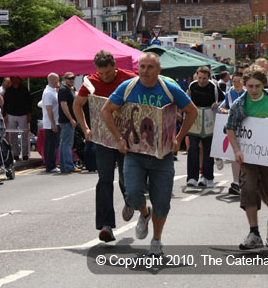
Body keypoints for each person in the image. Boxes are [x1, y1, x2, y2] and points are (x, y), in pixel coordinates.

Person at [101, 52, 198, 256]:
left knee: (162, 201)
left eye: (150, 67)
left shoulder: (169, 89)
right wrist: (119, 138)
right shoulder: (127, 88)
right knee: (133, 193)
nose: (145, 71)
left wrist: (178, 138)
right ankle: (144, 213)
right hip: (135, 153)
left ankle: (156, 240)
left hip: (162, 156)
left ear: (158, 70)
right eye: (142, 67)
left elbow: (192, 111)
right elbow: (105, 110)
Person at [225, 65, 268, 249]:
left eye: (257, 86)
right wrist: (236, 150)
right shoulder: (239, 104)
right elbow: (230, 127)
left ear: (264, 85)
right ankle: (254, 232)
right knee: (247, 187)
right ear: (244, 85)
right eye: (250, 86)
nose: (253, 90)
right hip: (249, 156)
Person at [73, 50, 137, 243]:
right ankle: (106, 226)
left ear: (114, 66)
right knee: (104, 180)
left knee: (126, 178)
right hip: (103, 138)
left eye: (108, 73)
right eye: (101, 73)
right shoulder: (90, 82)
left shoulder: (130, 79)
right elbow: (78, 105)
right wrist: (85, 128)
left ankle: (130, 200)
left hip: (126, 137)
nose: (105, 77)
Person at [186, 66, 225, 188]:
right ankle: (192, 177)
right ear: (196, 76)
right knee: (192, 149)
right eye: (200, 78)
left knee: (208, 150)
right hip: (195, 121)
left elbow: (222, 99)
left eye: (204, 78)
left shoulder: (213, 87)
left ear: (209, 78)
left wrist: (216, 104)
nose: (202, 81)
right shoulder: (192, 86)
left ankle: (208, 177)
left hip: (209, 122)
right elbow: (187, 98)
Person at [217, 71, 244, 195]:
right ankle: (236, 183)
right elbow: (221, 108)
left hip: (246, 129)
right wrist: (223, 110)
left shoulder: (247, 93)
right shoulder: (229, 94)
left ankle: (247, 183)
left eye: (239, 81)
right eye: (234, 81)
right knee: (235, 156)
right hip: (233, 128)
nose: (237, 83)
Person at [2, 77, 32, 161]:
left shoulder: (24, 89)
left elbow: (29, 102)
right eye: (13, 79)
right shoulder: (8, 91)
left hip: (23, 114)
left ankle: (25, 154)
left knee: (25, 135)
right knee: (12, 136)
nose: (15, 81)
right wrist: (4, 115)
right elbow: (5, 103)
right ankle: (15, 153)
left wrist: (29, 113)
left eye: (16, 79)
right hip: (11, 115)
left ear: (18, 80)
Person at [58, 72, 81, 173]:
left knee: (64, 143)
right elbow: (64, 105)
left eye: (73, 78)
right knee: (67, 144)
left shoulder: (67, 90)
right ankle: (68, 166)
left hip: (66, 120)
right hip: (67, 120)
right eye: (69, 78)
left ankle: (64, 166)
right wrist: (71, 119)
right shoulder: (64, 90)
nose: (72, 80)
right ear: (64, 79)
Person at [42, 73, 61, 173]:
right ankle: (50, 165)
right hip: (51, 123)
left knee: (52, 144)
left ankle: (51, 164)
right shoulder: (48, 93)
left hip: (53, 122)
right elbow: (49, 110)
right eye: (57, 80)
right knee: (51, 145)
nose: (58, 82)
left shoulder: (52, 91)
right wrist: (53, 124)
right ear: (53, 80)